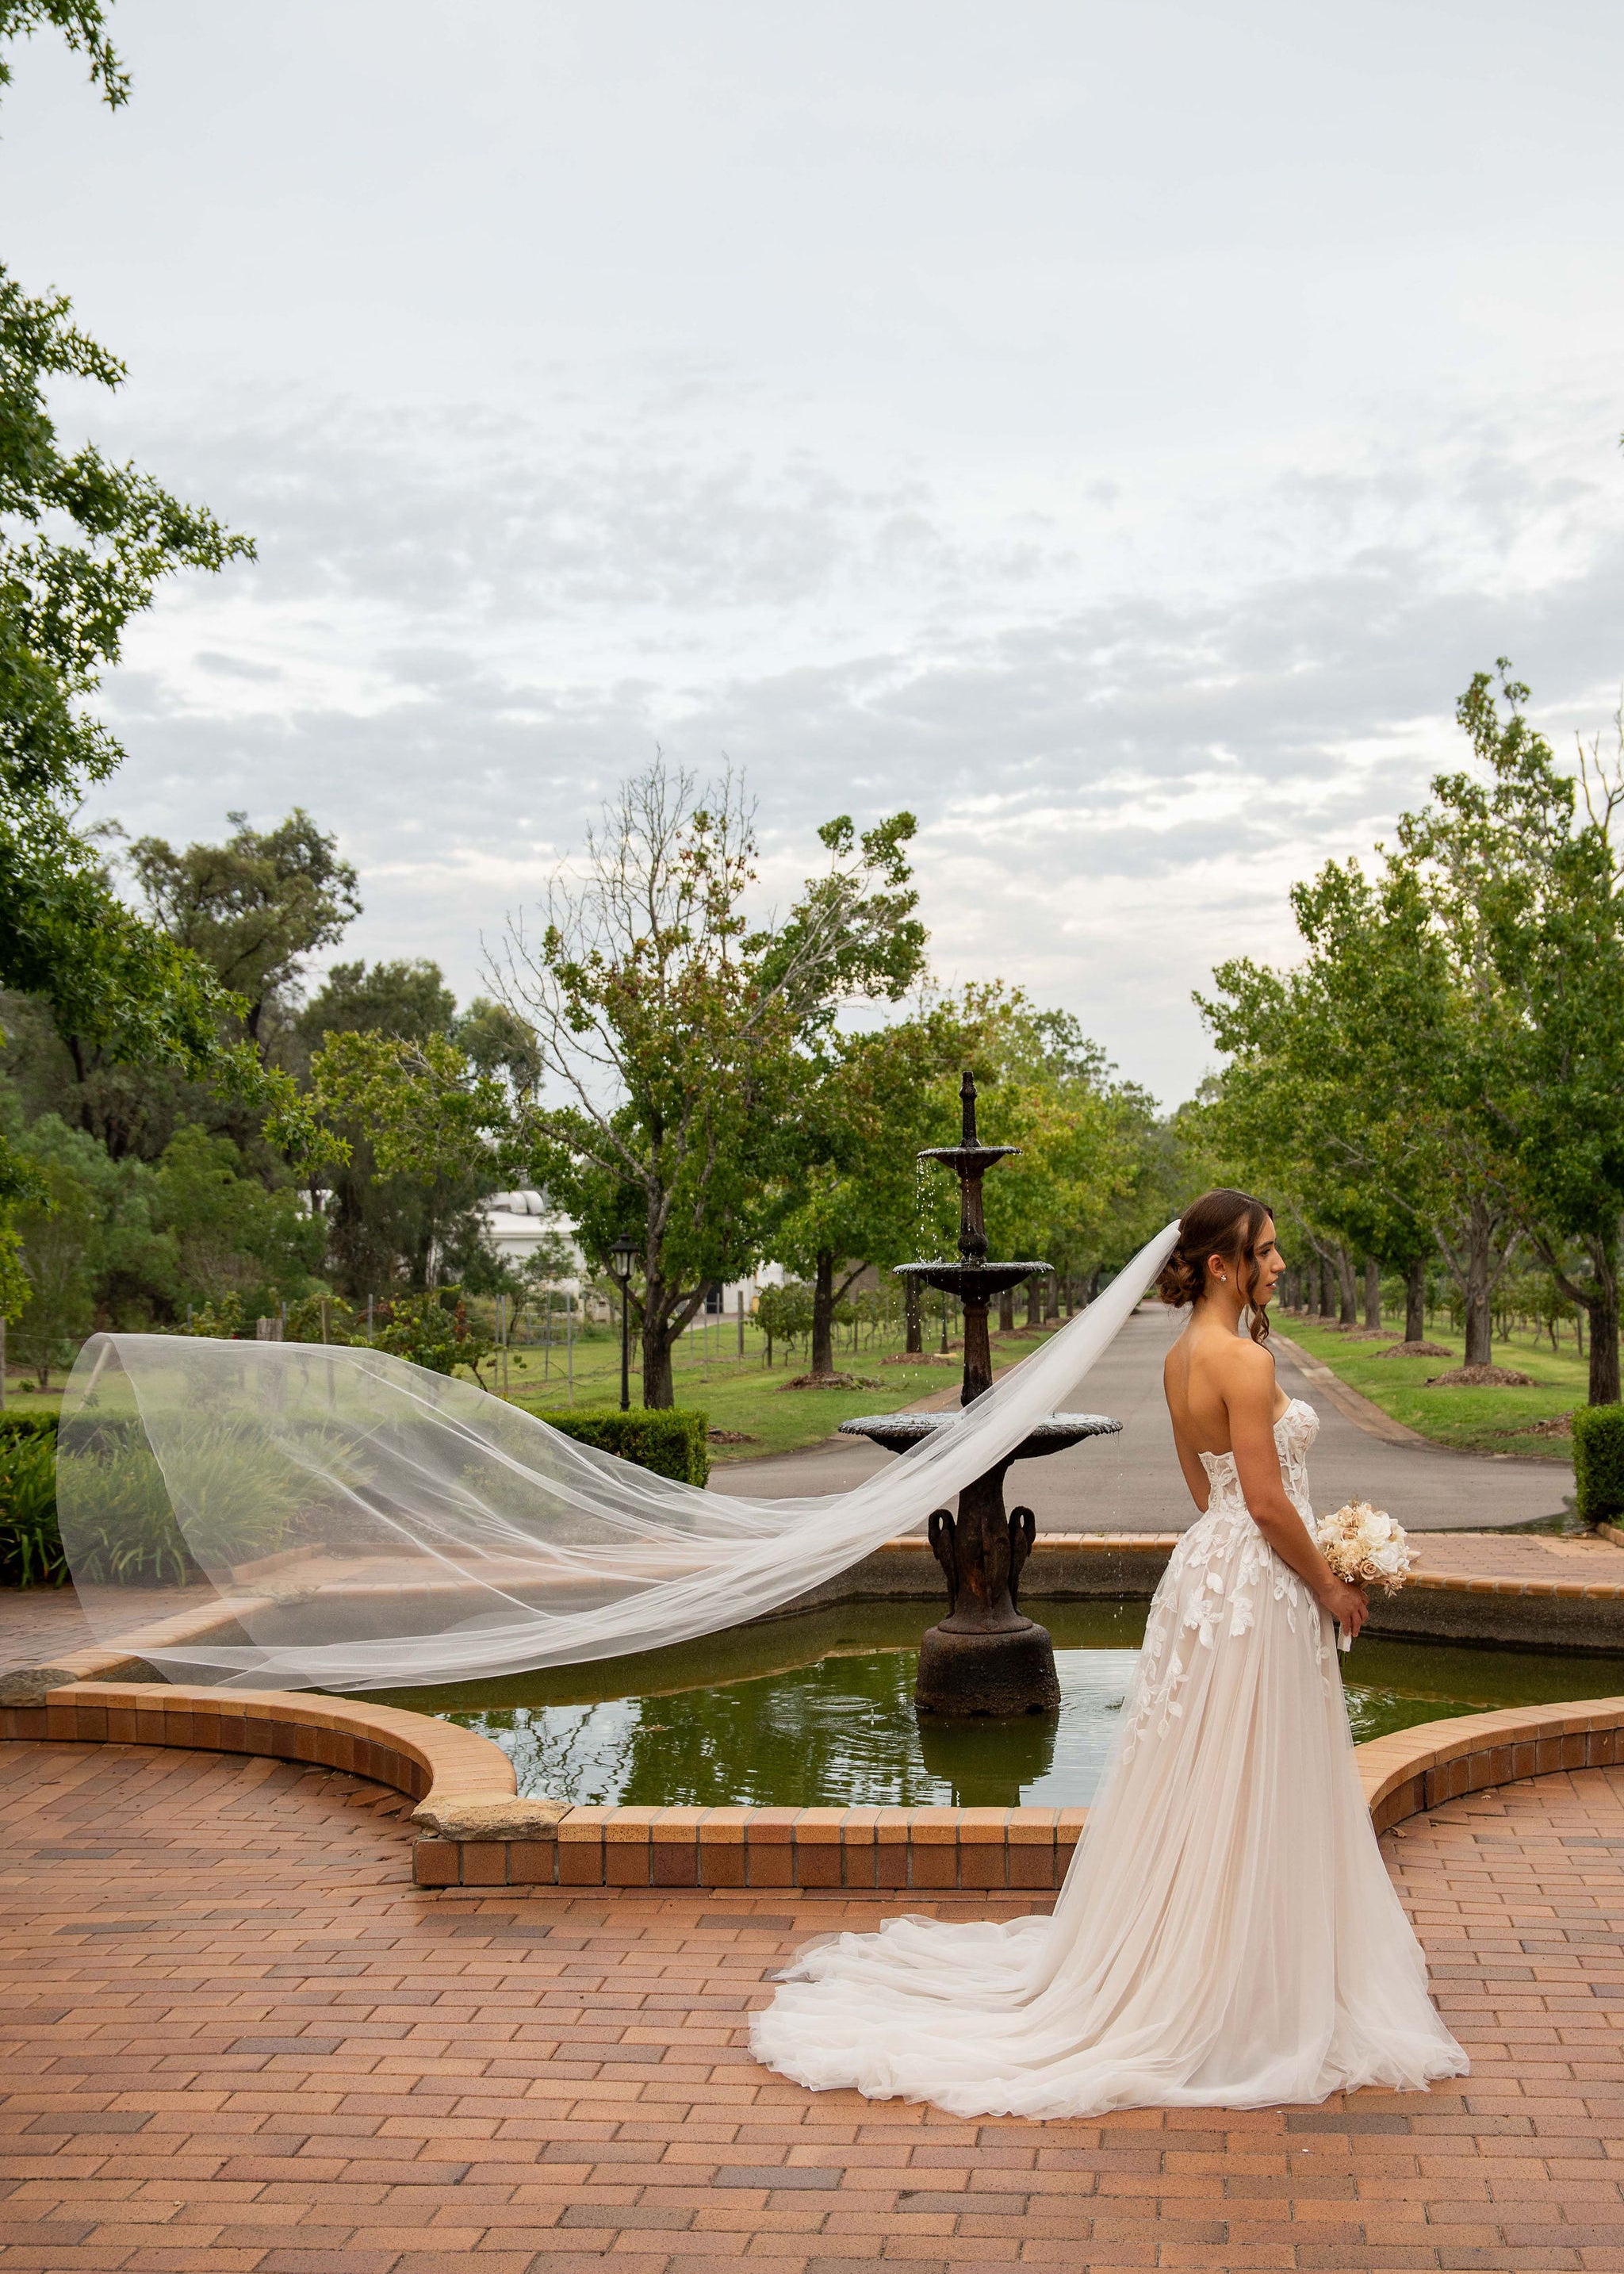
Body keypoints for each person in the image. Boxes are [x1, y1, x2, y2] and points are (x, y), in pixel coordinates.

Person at [750, 1189, 1467, 2119]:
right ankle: (1242, 1981)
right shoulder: (1243, 1360)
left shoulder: (1180, 1359)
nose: (1279, 1264)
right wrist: (1329, 1582)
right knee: (1255, 1771)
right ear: (1221, 1263)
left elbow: (1204, 1487)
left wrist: (1283, 1553)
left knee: (1209, 1772)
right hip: (1254, 1581)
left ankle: (1215, 1955)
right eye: (1267, 1250)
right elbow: (1260, 1498)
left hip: (1210, 1570)